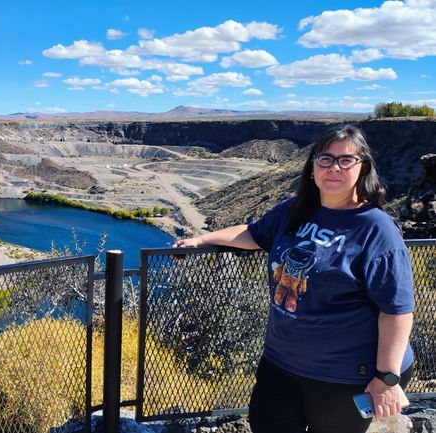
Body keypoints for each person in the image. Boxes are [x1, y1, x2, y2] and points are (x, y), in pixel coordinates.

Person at [174, 124, 414, 433]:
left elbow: (396, 309)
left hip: (345, 373)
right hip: (281, 361)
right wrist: (204, 239)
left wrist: (386, 379)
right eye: (325, 158)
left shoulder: (376, 229)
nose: (334, 168)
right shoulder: (295, 209)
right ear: (313, 165)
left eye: (346, 160)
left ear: (363, 167)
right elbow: (255, 233)